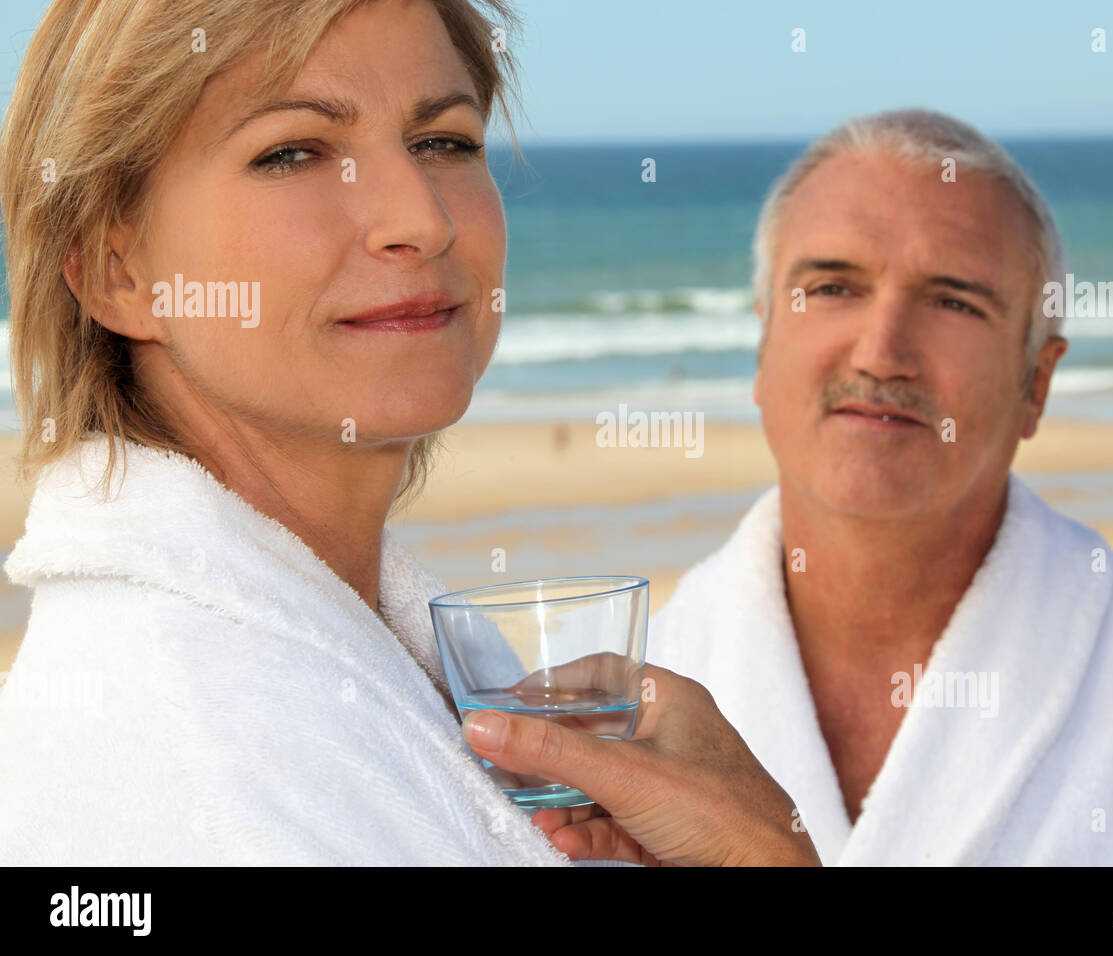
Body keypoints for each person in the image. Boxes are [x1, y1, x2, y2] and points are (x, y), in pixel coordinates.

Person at [0, 0, 817, 867]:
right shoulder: (188, 769)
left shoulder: (350, 679)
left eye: (444, 142)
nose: (422, 219)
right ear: (116, 271)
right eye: (293, 152)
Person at [628, 110, 1113, 865]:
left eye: (954, 301)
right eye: (832, 287)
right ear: (763, 348)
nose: (882, 353)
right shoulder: (640, 688)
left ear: (1036, 383)